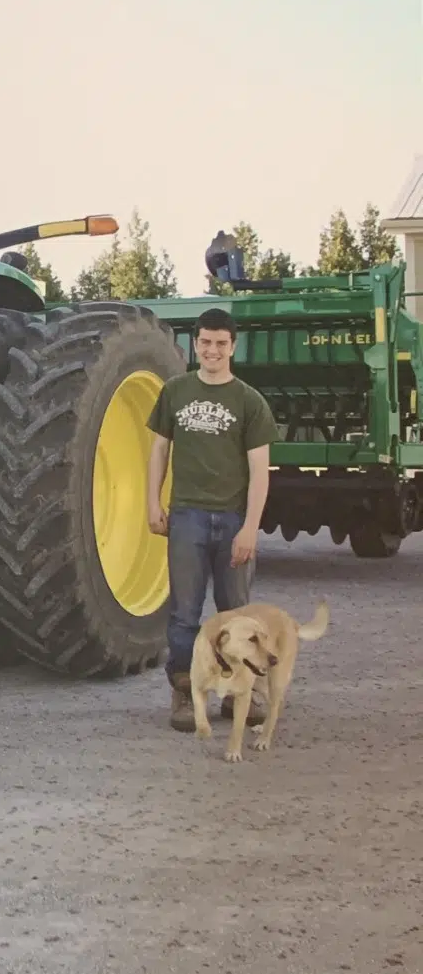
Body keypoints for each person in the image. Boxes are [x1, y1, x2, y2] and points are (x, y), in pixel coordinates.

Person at [146, 306, 279, 732]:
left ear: (233, 347)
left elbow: (260, 469)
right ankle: (185, 692)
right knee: (185, 613)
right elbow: (159, 451)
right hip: (187, 517)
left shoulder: (249, 401)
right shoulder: (175, 392)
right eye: (205, 342)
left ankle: (245, 691)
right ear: (196, 344)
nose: (212, 350)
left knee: (237, 614)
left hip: (232, 519)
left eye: (221, 343)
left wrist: (250, 528)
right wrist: (153, 501)